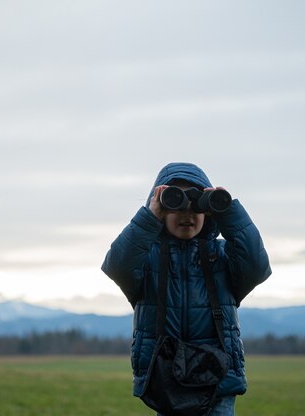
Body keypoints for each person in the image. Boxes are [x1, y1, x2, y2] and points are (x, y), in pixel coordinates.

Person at [101, 162, 271, 416]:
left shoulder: (224, 258)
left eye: (196, 205)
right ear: (161, 207)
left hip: (217, 381)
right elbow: (117, 265)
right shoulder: (147, 260)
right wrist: (149, 216)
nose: (187, 214)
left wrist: (228, 211)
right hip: (167, 380)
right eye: (175, 203)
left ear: (207, 212)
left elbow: (257, 266)